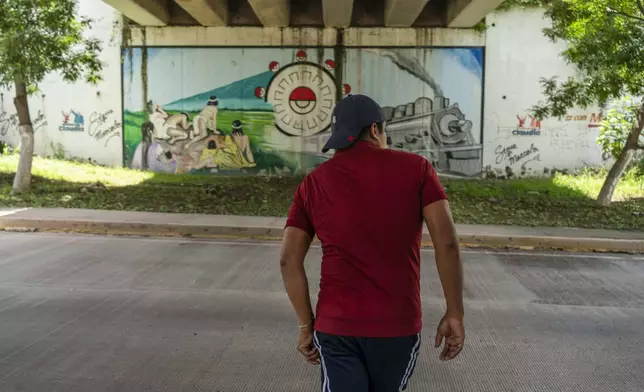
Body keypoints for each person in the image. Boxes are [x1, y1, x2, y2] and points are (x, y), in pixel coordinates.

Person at [279, 94, 465, 392]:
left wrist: (306, 325)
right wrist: (454, 311)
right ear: (376, 130)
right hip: (397, 327)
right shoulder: (417, 169)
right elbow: (447, 243)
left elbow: (288, 259)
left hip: (336, 327)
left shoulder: (314, 183)